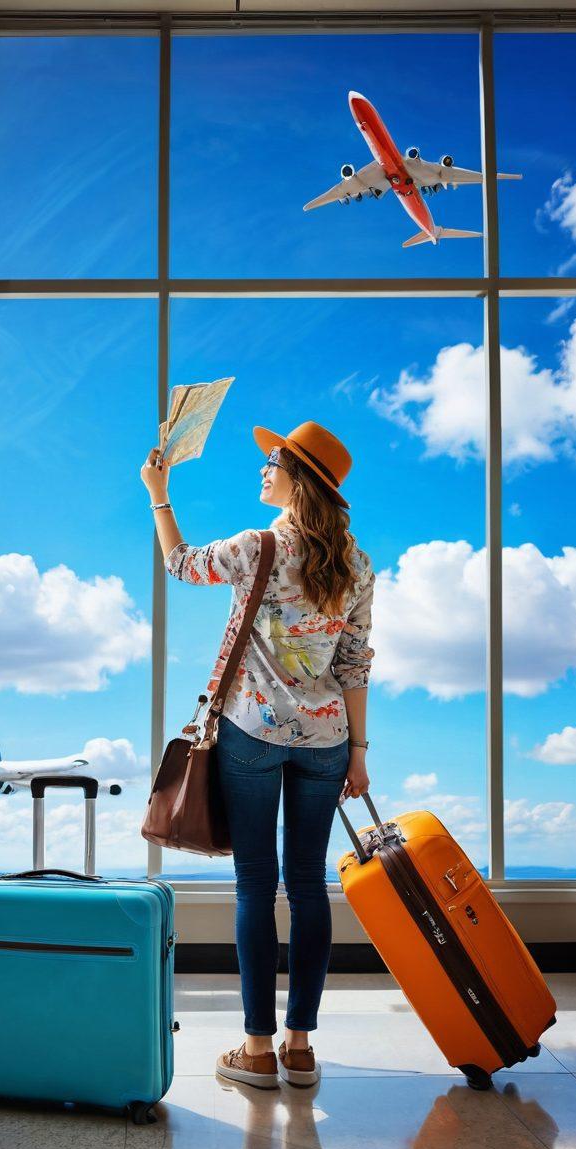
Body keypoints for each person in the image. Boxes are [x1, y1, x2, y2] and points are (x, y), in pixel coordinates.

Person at [141, 419, 376, 1091]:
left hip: (252, 732)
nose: (262, 469)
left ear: (300, 478)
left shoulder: (257, 547)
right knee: (308, 886)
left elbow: (181, 563)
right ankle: (300, 1048)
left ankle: (256, 1050)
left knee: (254, 885)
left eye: (272, 461)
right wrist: (358, 752)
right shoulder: (357, 565)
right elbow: (357, 664)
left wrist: (159, 494)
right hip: (328, 742)